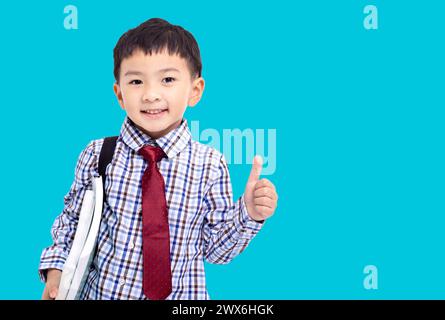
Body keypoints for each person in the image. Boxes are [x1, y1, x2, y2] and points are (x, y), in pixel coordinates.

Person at [39, 17, 278, 300]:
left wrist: (248, 213)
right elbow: (72, 222)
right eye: (137, 81)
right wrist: (56, 272)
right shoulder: (98, 155)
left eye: (167, 79)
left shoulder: (210, 165)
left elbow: (216, 252)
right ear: (119, 94)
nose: (151, 95)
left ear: (195, 90)